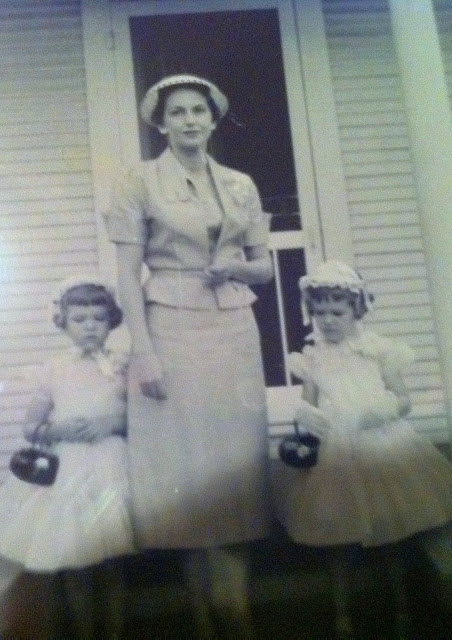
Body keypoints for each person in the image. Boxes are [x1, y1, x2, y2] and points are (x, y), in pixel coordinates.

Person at [106, 73, 273, 636]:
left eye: (198, 110)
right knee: (185, 462)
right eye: (177, 112)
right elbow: (127, 276)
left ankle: (235, 609)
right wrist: (144, 352)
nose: (189, 120)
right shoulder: (138, 181)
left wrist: (235, 268)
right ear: (161, 122)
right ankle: (203, 618)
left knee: (233, 465)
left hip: (233, 330)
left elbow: (263, 267)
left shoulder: (240, 185)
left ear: (214, 117)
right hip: (171, 329)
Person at [273, 260, 452, 636]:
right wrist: (307, 416)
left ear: (357, 309)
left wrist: (380, 411)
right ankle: (343, 617)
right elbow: (308, 402)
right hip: (337, 452)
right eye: (319, 312)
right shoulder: (313, 356)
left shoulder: (376, 350)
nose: (328, 321)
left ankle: (402, 611)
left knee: (392, 536)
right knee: (338, 542)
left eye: (337, 312)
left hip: (380, 443)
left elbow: (403, 399)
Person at [0, 276, 135, 636]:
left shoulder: (123, 365)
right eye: (79, 319)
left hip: (112, 465)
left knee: (112, 564)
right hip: (70, 472)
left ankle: (115, 633)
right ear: (63, 322)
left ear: (112, 321)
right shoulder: (54, 368)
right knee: (76, 561)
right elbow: (31, 427)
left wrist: (113, 423)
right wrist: (57, 430)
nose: (90, 326)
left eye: (99, 318)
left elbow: (142, 419)